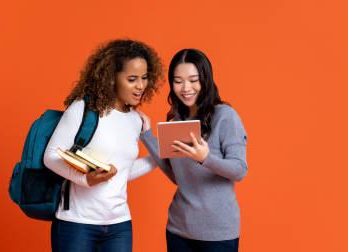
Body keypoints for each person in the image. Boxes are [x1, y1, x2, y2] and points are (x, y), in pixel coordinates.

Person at [43, 39, 163, 252]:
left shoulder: (136, 121)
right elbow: (51, 156)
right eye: (132, 79)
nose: (141, 85)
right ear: (111, 78)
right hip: (77, 224)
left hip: (120, 225)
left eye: (145, 78)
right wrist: (85, 179)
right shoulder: (83, 109)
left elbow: (123, 171)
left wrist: (161, 153)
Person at [138, 48, 248, 252]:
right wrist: (147, 136)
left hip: (218, 233)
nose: (185, 88)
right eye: (178, 81)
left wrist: (205, 158)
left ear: (205, 80)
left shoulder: (225, 116)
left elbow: (239, 169)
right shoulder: (179, 119)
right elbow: (178, 177)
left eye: (193, 80)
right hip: (178, 229)